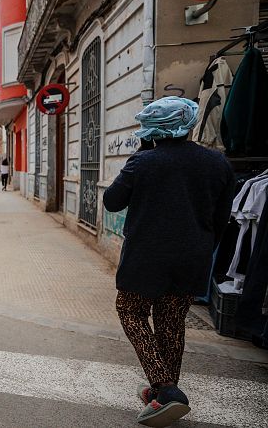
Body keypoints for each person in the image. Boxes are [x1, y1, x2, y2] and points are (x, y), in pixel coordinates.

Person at [103, 97, 234, 427]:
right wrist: (203, 249)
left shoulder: (143, 162)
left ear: (152, 129)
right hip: (193, 257)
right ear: (188, 124)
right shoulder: (218, 163)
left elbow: (112, 201)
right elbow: (221, 218)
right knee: (171, 321)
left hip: (146, 258)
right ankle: (163, 395)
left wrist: (141, 157)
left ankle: (165, 388)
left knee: (130, 310)